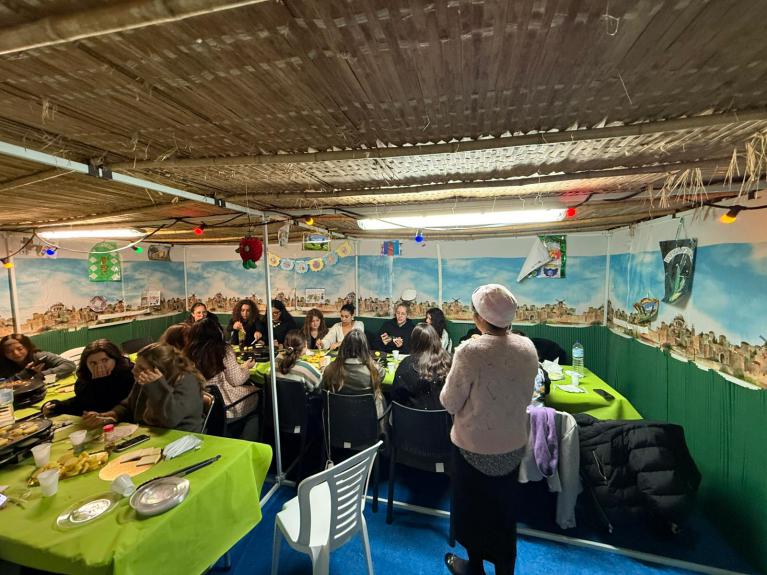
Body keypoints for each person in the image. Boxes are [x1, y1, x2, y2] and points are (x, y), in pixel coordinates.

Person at [440, 284, 539, 575]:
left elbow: (449, 402)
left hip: (472, 449)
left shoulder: (470, 351)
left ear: (479, 318)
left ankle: (475, 568)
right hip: (512, 447)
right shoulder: (527, 348)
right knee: (504, 512)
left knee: (472, 510)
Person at [83, 343, 204, 432]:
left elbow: (170, 419)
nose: (134, 371)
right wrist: (111, 415)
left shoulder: (186, 381)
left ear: (160, 370)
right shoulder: (145, 378)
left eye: (141, 368)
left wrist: (157, 386)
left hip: (182, 439)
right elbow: (129, 406)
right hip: (148, 434)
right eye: (136, 365)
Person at [186, 318, 258, 436]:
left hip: (199, 405)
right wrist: (246, 367)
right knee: (258, 393)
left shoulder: (187, 353)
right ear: (217, 333)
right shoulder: (223, 350)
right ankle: (250, 439)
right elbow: (236, 380)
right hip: (224, 406)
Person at [42, 339, 134, 417]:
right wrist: (57, 406)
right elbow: (83, 403)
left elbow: (107, 406)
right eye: (93, 363)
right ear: (86, 365)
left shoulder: (130, 375)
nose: (100, 367)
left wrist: (101, 383)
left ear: (115, 359)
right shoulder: (84, 380)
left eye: (105, 360)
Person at [322, 330, 386, 417]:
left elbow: (324, 384)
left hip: (338, 417)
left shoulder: (330, 369)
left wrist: (323, 368)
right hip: (369, 418)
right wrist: (371, 361)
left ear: (344, 346)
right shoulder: (374, 369)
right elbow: (382, 375)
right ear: (365, 348)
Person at [392, 323, 451, 410]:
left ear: (414, 342)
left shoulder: (406, 364)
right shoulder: (449, 360)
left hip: (411, 416)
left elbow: (396, 396)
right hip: (444, 416)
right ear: (436, 339)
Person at [0, 334, 76, 380]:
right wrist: (24, 374)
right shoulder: (4, 364)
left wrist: (41, 375)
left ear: (27, 347)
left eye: (20, 349)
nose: (16, 353)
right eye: (9, 351)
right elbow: (3, 384)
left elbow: (69, 365)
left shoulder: (39, 356)